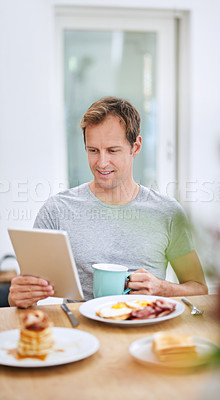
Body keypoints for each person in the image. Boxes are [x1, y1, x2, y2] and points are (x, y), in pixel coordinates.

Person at [9, 97, 208, 308]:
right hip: (81, 334)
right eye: (93, 150)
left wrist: (163, 289)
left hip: (145, 331)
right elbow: (23, 295)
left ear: (136, 146)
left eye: (112, 150)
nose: (101, 163)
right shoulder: (56, 210)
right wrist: (16, 297)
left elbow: (199, 288)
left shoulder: (167, 212)